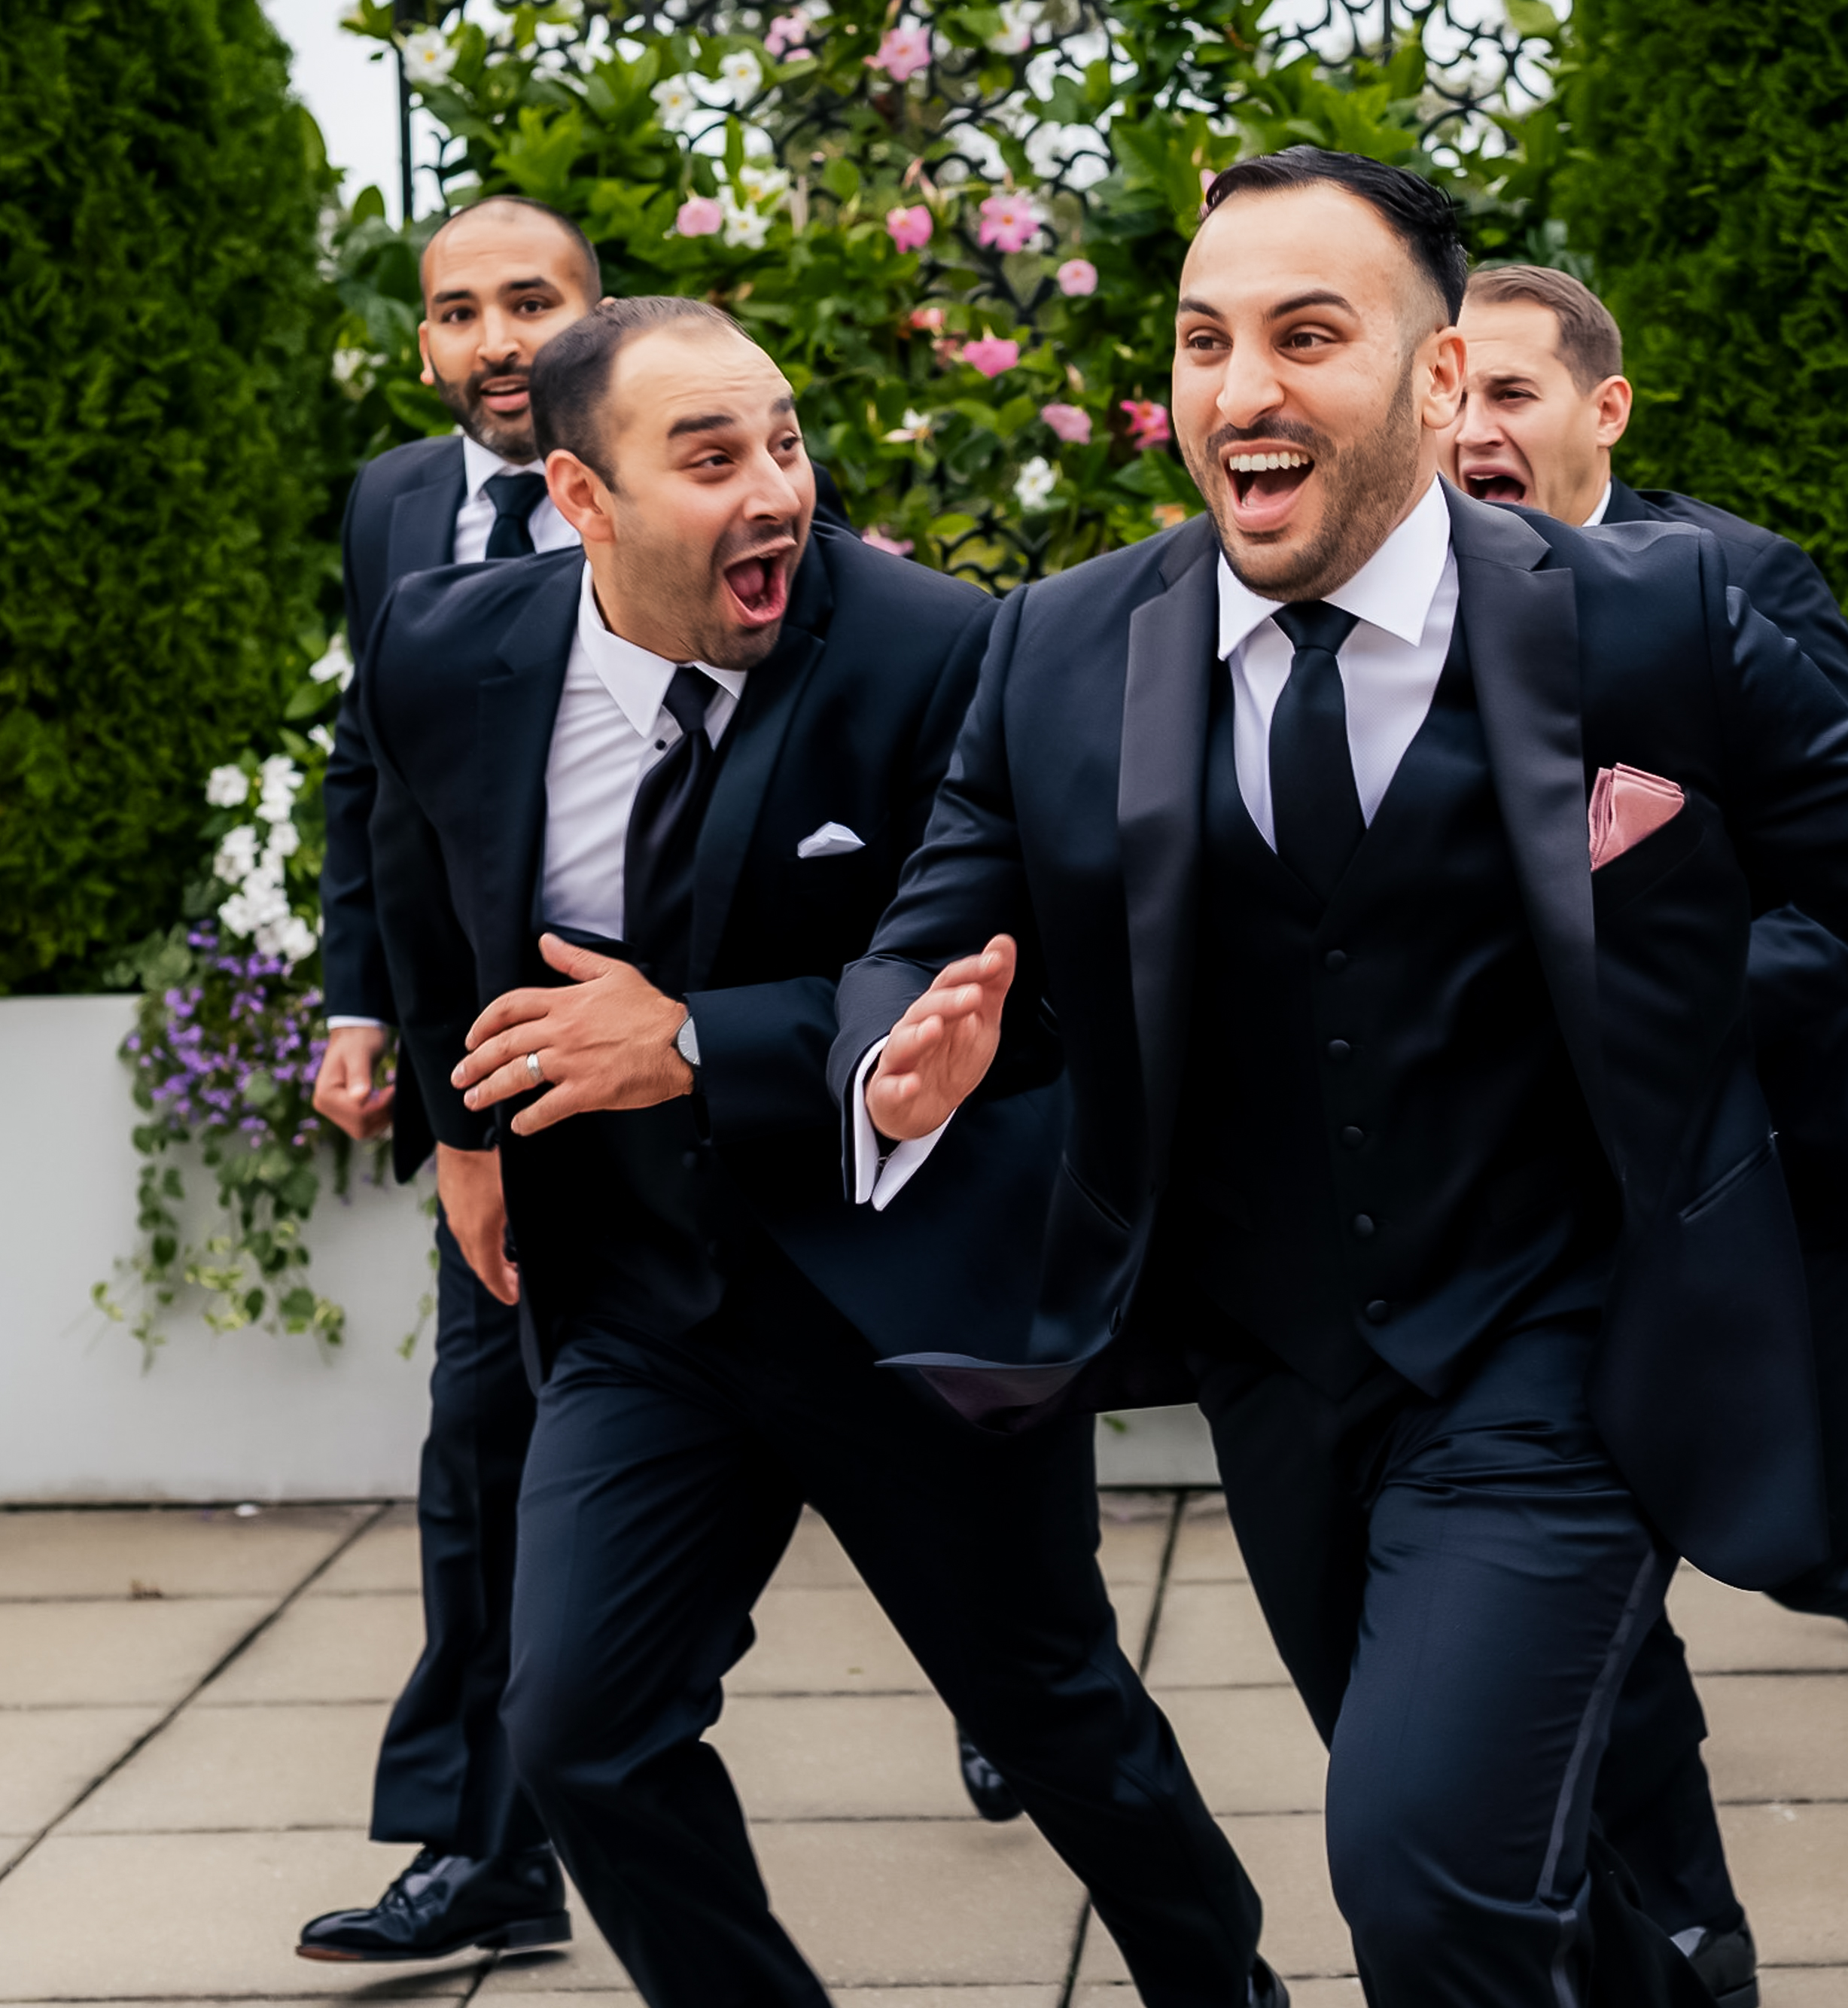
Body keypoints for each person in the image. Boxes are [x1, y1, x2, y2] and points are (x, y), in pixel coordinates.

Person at [830, 148, 1848, 2006]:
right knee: (1513, 1868)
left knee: (1418, 1871)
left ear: (1433, 381)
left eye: (1304, 336)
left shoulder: (1651, 617)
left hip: (1565, 1339)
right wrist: (896, 1063)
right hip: (1273, 1362)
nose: (1239, 389)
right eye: (1202, 339)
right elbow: (924, 929)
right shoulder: (1061, 646)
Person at [352, 294, 1277, 2008]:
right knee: (579, 1728)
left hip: (897, 1285)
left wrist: (697, 1038)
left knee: (1054, 1714)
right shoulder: (443, 649)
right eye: (712, 458)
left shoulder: (941, 648)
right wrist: (464, 1128)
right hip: (637, 1298)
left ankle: (1225, 1990)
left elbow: (1009, 978)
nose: (777, 488)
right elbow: (423, 876)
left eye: (784, 441)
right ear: (581, 495)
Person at [1445, 262, 1848, 2006]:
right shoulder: (1398, 608)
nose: (1472, 431)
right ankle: (1690, 1938)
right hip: (1540, 1191)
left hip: (1775, 1149)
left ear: (1603, 409)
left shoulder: (1731, 581)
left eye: (1510, 395)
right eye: (1446, 396)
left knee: (1784, 1534)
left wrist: (1654, 975)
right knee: (1584, 1571)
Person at [300, 193, 599, 1964]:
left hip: (688, 1049)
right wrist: (364, 1008)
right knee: (480, 1450)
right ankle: (484, 1852)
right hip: (490, 1068)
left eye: (531, 301)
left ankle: (1023, 1688)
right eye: (459, 309)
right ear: (423, 338)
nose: (495, 339)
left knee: (895, 1446)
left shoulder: (691, 461)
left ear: (593, 312)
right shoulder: (396, 504)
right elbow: (374, 773)